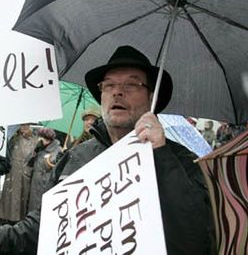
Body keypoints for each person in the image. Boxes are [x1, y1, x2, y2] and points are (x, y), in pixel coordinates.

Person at [0, 45, 216, 255]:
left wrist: (161, 156)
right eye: (109, 85)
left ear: (152, 98)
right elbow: (42, 229)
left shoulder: (182, 161)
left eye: (131, 85)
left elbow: (197, 238)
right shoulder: (75, 157)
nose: (117, 93)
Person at [0, 124, 38, 225]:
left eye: (27, 125)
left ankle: (20, 221)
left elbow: (36, 157)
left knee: (23, 198)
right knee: (10, 198)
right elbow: (6, 152)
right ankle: (6, 220)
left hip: (26, 173)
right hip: (13, 172)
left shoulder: (35, 139)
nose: (25, 127)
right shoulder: (13, 138)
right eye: (23, 125)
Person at [26, 128, 62, 212]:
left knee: (42, 209)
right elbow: (28, 163)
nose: (39, 139)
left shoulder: (57, 150)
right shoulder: (40, 148)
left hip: (45, 183)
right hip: (35, 183)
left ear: (48, 139)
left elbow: (53, 166)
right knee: (33, 208)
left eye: (42, 137)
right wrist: (34, 152)